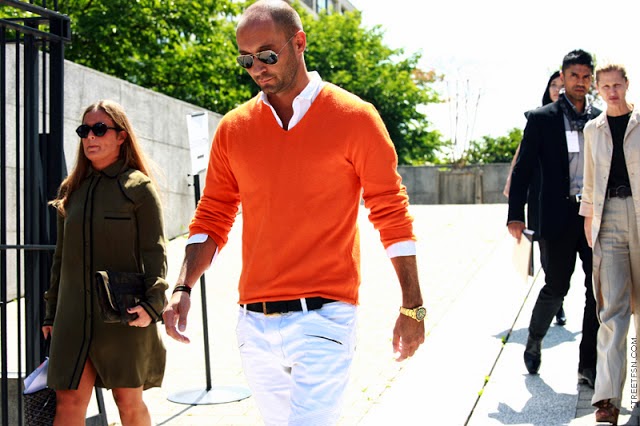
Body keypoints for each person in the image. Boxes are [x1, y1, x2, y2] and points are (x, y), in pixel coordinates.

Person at [162, 1, 426, 425]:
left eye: (267, 55)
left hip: (324, 319)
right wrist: (183, 286)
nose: (257, 68)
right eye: (246, 59)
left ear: (299, 42)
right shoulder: (233, 129)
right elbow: (212, 215)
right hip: (254, 324)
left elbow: (391, 212)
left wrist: (413, 307)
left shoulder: (356, 118)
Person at [42, 100, 168, 426]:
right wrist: (51, 312)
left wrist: (153, 304)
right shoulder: (72, 190)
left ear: (121, 136)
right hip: (73, 316)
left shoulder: (138, 188)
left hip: (122, 314)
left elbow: (155, 251)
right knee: (68, 402)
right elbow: (60, 257)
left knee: (128, 402)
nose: (90, 137)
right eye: (84, 130)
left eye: (99, 129)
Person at [507, 49, 600, 388]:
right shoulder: (542, 119)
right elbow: (523, 170)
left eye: (586, 77)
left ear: (592, 80)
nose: (580, 82)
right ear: (563, 78)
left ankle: (588, 365)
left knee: (597, 289)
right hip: (556, 217)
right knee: (557, 285)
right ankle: (534, 340)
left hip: (592, 216)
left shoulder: (600, 119)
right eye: (574, 76)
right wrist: (515, 215)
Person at [580, 64, 639, 425]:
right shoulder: (592, 129)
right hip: (608, 219)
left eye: (618, 85)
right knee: (612, 311)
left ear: (627, 85)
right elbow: (589, 180)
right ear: (598, 90)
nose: (612, 91)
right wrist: (589, 220)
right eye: (606, 87)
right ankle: (608, 399)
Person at [504, 70, 567, 326]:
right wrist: (512, 185)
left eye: (562, 85)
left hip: (570, 197)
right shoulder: (537, 117)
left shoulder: (583, 118)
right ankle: (557, 300)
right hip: (539, 193)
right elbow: (522, 155)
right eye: (554, 85)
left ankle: (557, 294)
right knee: (546, 251)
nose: (558, 90)